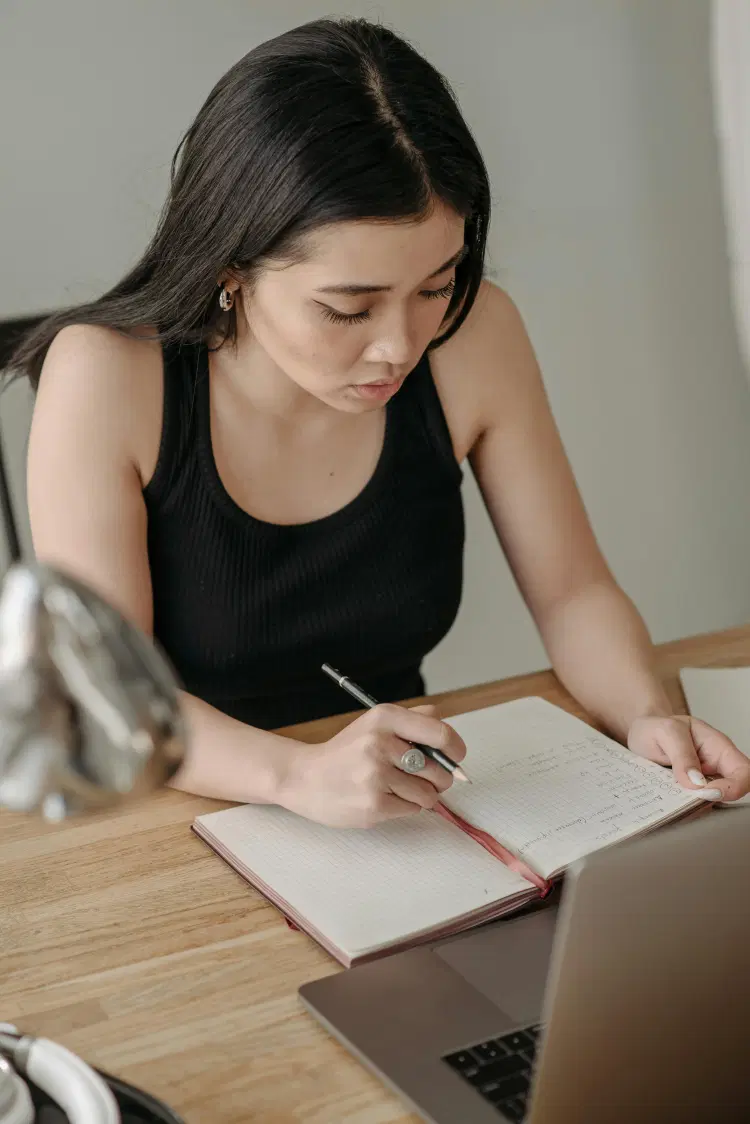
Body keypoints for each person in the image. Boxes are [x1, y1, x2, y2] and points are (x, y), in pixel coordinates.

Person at [9, 17, 750, 828]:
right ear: (232, 269)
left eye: (435, 286)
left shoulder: (476, 337)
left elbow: (574, 593)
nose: (399, 347)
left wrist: (647, 717)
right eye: (348, 308)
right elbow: (107, 701)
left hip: (405, 811)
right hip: (167, 820)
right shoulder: (108, 376)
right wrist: (298, 775)